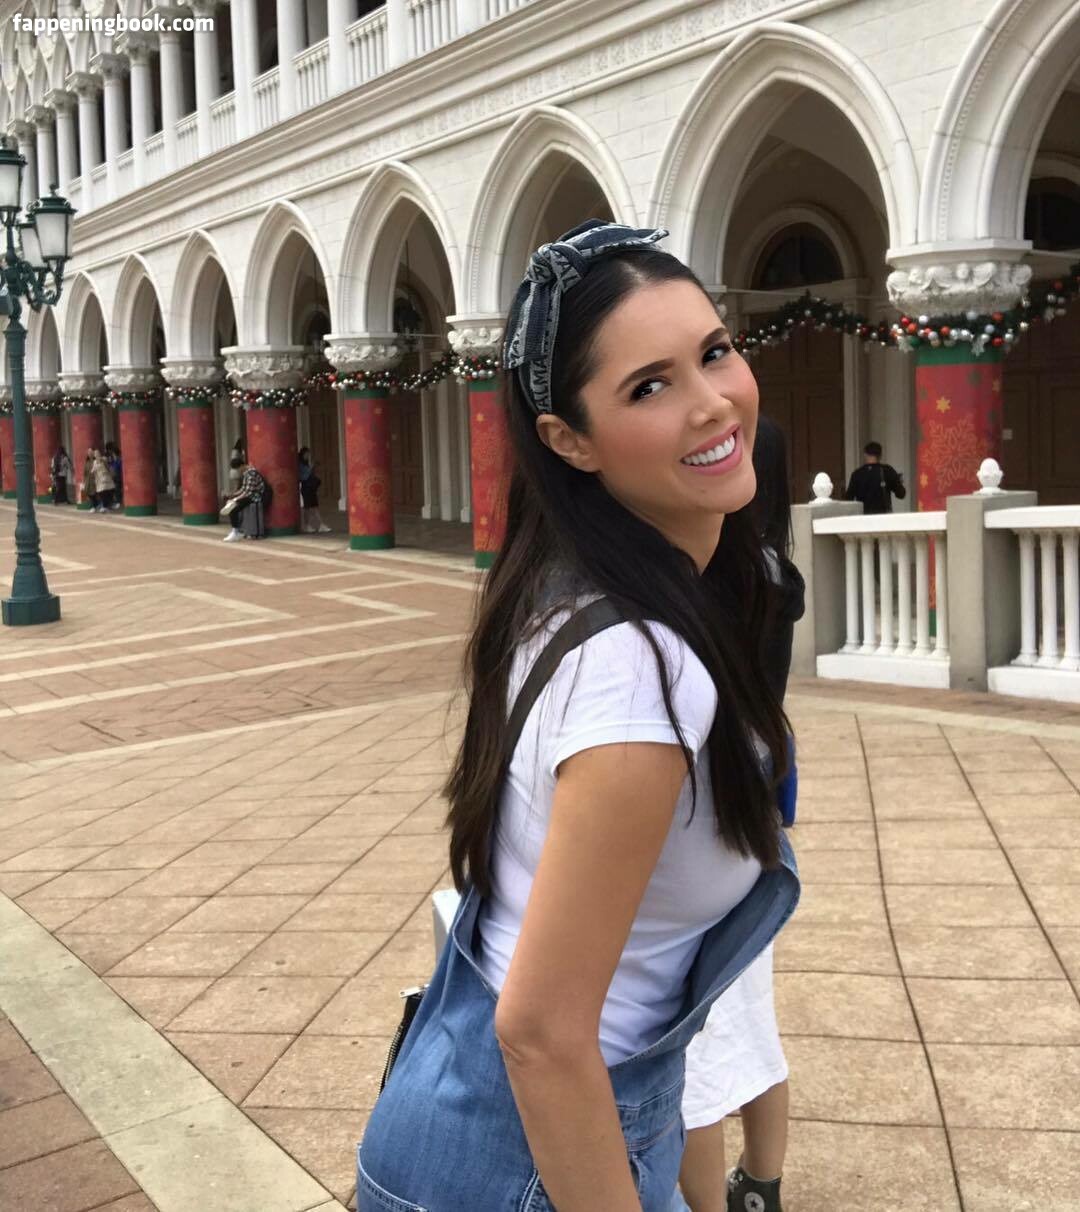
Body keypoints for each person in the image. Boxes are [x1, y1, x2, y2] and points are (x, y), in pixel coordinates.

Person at [355, 220, 799, 1212]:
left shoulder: (566, 592)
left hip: (497, 1127)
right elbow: (543, 1033)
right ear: (568, 439)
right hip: (528, 1162)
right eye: (649, 387)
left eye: (714, 352)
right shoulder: (640, 671)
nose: (712, 402)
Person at [679, 413, 806, 1212]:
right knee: (751, 1013)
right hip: (757, 798)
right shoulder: (775, 571)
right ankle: (761, 1186)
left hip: (706, 809)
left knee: (694, 1042)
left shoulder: (709, 577)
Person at [844, 441, 906, 514]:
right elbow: (901, 494)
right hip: (883, 516)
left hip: (863, 516)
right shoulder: (887, 470)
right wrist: (898, 481)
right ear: (880, 456)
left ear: (865, 455)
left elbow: (848, 499)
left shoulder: (857, 474)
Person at [223, 460, 266, 541]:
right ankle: (236, 530)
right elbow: (243, 489)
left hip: (254, 497)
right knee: (231, 506)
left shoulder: (252, 474)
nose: (238, 471)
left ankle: (235, 531)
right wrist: (233, 495)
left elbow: (248, 492)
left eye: (238, 468)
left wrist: (235, 499)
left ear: (242, 465)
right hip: (249, 496)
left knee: (233, 509)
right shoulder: (246, 474)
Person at [298, 446, 331, 533]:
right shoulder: (300, 464)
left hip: (311, 488)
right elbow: (303, 476)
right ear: (303, 454)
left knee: (315, 507)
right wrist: (311, 467)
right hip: (306, 488)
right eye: (306, 454)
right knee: (307, 508)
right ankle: (306, 526)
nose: (308, 456)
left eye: (308, 454)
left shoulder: (306, 463)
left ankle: (321, 525)